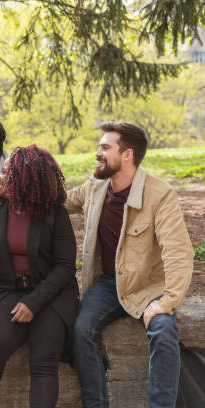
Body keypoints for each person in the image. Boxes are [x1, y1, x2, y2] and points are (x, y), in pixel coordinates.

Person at [66, 122, 193, 408]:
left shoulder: (160, 194)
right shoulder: (95, 187)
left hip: (150, 286)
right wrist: (23, 181)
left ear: (127, 155)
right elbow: (61, 200)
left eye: (105, 147)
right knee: (81, 329)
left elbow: (178, 252)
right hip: (109, 284)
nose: (97, 153)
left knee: (163, 329)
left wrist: (168, 301)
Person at [0, 145, 79, 408]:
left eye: (6, 173)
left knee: (43, 361)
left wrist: (33, 303)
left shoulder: (55, 214)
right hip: (9, 290)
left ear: (25, 180)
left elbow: (64, 267)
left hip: (52, 294)